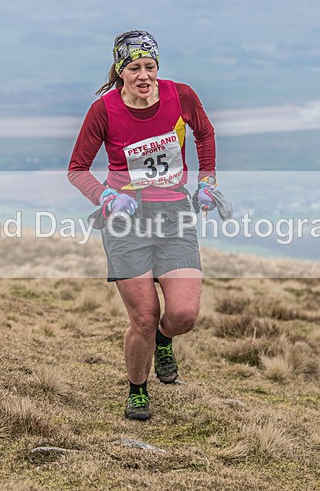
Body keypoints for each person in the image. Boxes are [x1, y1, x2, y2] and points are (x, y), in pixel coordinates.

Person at [67, 30, 218, 420]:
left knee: (183, 314)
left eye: (150, 66)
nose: (144, 74)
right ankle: (138, 390)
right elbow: (77, 169)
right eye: (134, 68)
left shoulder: (180, 95)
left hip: (174, 216)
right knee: (145, 316)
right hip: (125, 221)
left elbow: (204, 134)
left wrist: (207, 181)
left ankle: (164, 342)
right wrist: (105, 196)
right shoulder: (103, 110)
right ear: (121, 72)